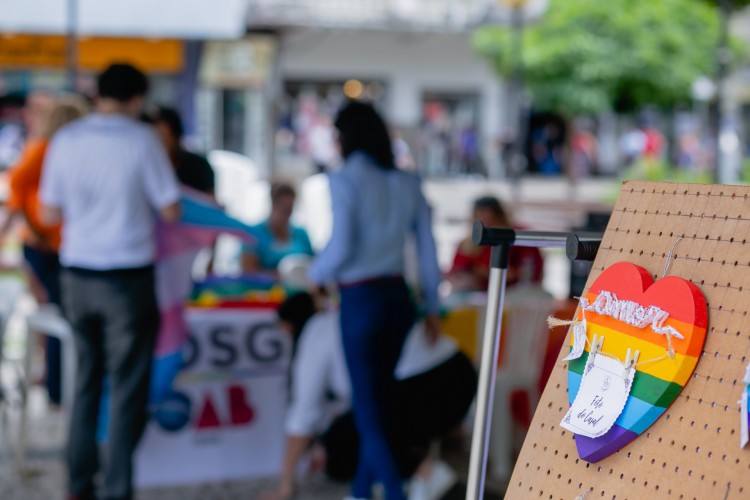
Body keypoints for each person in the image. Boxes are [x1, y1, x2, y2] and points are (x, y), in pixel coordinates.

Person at [39, 63, 181, 500]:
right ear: (138, 99)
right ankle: (117, 490)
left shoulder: (65, 140)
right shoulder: (143, 141)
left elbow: (48, 214)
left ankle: (78, 487)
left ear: (97, 94)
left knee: (85, 383)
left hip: (77, 276)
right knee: (126, 389)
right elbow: (171, 210)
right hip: (128, 280)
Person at [309, 101, 442, 500]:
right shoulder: (407, 181)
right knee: (379, 403)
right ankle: (361, 490)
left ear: (346, 136)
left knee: (368, 409)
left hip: (360, 298)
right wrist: (433, 305)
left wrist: (313, 276)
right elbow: (427, 249)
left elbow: (341, 245)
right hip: (399, 298)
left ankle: (394, 492)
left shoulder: (343, 179)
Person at [260, 293, 476, 500]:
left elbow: (304, 414)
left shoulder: (317, 331)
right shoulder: (341, 317)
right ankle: (404, 476)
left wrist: (285, 483)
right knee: (362, 425)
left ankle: (424, 473)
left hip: (429, 383)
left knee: (343, 444)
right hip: (459, 370)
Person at [0, 95, 87, 405]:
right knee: (58, 317)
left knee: (57, 316)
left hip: (56, 245)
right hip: (48, 246)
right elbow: (17, 190)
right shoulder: (45, 149)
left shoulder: (58, 151)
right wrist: (34, 230)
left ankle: (57, 381)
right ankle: (57, 384)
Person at [448, 196, 544, 292]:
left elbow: (528, 274)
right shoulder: (467, 243)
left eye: (490, 220)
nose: (486, 225)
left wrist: (485, 272)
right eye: (480, 220)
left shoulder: (516, 237)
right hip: (474, 294)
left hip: (509, 292)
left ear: (500, 217)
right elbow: (454, 273)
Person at [240, 182, 314, 274]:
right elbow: (248, 273)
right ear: (273, 205)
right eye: (283, 209)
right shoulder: (252, 235)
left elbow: (314, 264)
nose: (287, 215)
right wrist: (281, 276)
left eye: (290, 209)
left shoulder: (301, 234)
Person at [147, 106, 215, 195]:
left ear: (176, 136)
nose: (159, 144)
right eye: (154, 138)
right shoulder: (147, 168)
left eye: (163, 137)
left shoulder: (199, 167)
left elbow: (210, 204)